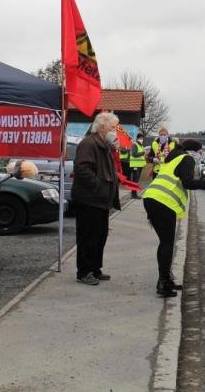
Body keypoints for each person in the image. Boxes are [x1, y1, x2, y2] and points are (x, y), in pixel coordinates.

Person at [143, 139, 205, 297]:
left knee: (165, 242)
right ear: (193, 151)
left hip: (151, 198)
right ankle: (163, 284)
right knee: (167, 243)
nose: (201, 155)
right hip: (162, 201)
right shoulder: (187, 159)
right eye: (200, 151)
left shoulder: (174, 158)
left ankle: (165, 280)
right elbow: (188, 183)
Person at [71, 112, 121, 285]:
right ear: (102, 126)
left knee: (99, 237)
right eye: (113, 127)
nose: (115, 131)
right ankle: (84, 272)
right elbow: (82, 169)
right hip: (89, 199)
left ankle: (95, 268)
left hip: (100, 200)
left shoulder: (104, 145)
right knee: (88, 237)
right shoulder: (89, 143)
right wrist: (98, 186)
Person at [129, 133, 147, 198]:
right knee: (135, 180)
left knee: (136, 180)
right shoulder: (135, 145)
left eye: (142, 138)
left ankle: (134, 194)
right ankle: (134, 195)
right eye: (140, 138)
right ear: (137, 138)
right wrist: (143, 153)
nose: (141, 140)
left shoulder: (141, 145)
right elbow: (134, 154)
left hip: (139, 165)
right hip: (135, 165)